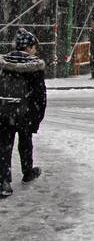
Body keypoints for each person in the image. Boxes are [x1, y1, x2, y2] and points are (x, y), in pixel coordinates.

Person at [0, 29, 47, 198]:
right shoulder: (35, 66)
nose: (35, 51)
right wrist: (37, 116)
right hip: (25, 112)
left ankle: (4, 181)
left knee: (5, 145)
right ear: (29, 47)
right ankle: (27, 171)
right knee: (25, 142)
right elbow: (40, 95)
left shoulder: (5, 62)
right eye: (34, 47)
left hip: (5, 109)